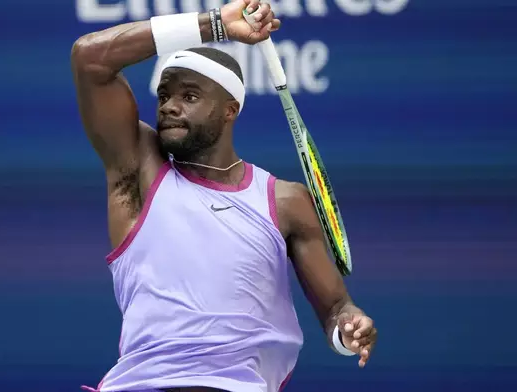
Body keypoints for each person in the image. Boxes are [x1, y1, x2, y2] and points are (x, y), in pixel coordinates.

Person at [71, 0, 377, 391]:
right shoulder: (139, 173)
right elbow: (89, 58)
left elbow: (336, 310)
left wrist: (350, 329)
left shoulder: (286, 202)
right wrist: (214, 24)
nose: (170, 107)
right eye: (164, 96)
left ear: (229, 109)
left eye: (190, 96)